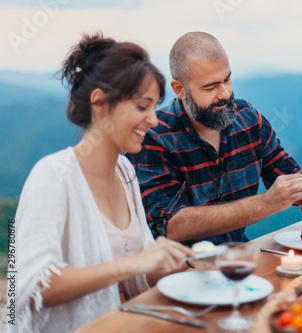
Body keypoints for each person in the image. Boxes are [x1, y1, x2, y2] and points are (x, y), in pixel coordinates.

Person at [13, 32, 197, 333]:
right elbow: (30, 288)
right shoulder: (52, 176)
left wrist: (183, 262)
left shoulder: (125, 171)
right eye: (142, 106)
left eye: (154, 107)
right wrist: (133, 265)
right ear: (100, 103)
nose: (153, 119)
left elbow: (137, 271)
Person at [127, 31, 302, 246]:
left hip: (238, 260)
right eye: (211, 86)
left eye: (227, 79)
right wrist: (266, 203)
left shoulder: (248, 119)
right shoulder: (154, 137)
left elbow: (283, 177)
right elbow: (171, 226)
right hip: (182, 270)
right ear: (180, 89)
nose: (226, 93)